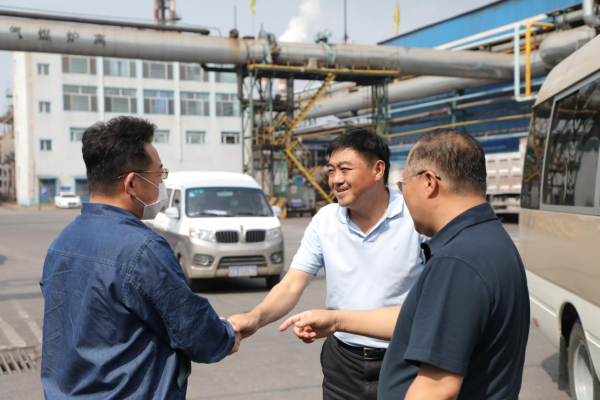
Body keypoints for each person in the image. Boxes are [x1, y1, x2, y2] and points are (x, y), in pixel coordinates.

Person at [280, 128, 530, 400]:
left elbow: (436, 388)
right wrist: (337, 320)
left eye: (404, 184)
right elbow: (422, 319)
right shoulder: (493, 240)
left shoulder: (456, 261)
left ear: (429, 183)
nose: (403, 196)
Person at [40, 117, 241, 399]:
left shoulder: (62, 242)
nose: (161, 183)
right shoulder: (143, 249)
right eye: (159, 174)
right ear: (132, 183)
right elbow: (195, 331)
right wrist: (227, 334)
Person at [228, 129, 425, 399]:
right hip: (342, 363)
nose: (335, 180)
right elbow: (291, 285)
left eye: (345, 169)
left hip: (406, 360)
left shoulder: (414, 217)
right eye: (331, 171)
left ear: (378, 170)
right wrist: (255, 317)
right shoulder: (326, 220)